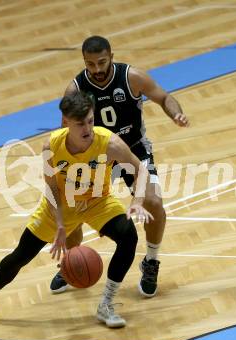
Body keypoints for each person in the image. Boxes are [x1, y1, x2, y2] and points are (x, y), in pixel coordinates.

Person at [0, 91, 153, 329]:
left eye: (90, 120)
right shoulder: (51, 146)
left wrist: (137, 201)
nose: (87, 128)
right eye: (80, 124)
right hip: (62, 204)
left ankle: (106, 304)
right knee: (21, 255)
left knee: (128, 236)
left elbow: (141, 171)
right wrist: (59, 224)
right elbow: (52, 187)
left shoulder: (109, 143)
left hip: (97, 201)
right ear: (66, 122)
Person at [50, 35, 189, 297]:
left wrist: (176, 114)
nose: (97, 69)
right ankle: (71, 262)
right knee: (73, 213)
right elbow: (65, 131)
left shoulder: (131, 77)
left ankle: (151, 261)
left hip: (133, 148)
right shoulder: (75, 88)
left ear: (111, 57)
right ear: (84, 63)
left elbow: (163, 97)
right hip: (94, 154)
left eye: (102, 62)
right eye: (90, 65)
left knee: (154, 203)